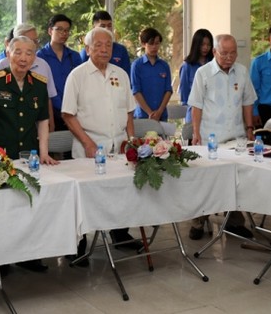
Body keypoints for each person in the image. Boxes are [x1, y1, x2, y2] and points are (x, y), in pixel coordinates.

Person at [62, 27, 137, 250]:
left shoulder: (120, 74)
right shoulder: (77, 75)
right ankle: (78, 244)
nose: (104, 50)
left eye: (108, 45)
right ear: (87, 48)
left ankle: (120, 234)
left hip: (119, 146)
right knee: (85, 197)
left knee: (121, 192)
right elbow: (67, 114)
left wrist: (132, 140)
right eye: (98, 45)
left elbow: (129, 112)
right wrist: (87, 143)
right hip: (89, 147)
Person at [187, 34, 256, 240]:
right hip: (210, 138)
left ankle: (234, 222)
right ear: (215, 52)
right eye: (224, 53)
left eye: (233, 52)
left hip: (236, 137)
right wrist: (196, 132)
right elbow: (196, 105)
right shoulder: (203, 73)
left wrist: (250, 129)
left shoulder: (242, 72)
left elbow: (247, 102)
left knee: (235, 180)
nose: (229, 57)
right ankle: (199, 221)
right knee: (206, 182)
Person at [0, 36, 57, 163]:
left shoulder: (39, 85)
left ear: (34, 57)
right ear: (8, 54)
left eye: (29, 54)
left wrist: (44, 153)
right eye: (18, 53)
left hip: (30, 154)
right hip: (0, 154)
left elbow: (43, 121)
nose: (23, 58)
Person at [0, 24, 57, 132]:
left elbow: (48, 97)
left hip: (37, 125)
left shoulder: (43, 65)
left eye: (36, 41)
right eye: (30, 40)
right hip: (8, 126)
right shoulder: (1, 66)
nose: (34, 45)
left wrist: (51, 122)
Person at [37, 14, 82, 131]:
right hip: (50, 113)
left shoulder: (74, 56)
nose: (64, 33)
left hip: (73, 112)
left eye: (67, 30)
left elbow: (80, 85)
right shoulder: (40, 57)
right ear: (50, 31)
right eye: (60, 29)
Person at [131, 27, 173, 122]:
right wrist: (150, 113)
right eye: (151, 43)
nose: (154, 47)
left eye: (157, 43)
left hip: (161, 116)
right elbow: (136, 91)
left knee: (162, 137)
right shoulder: (137, 65)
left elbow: (168, 90)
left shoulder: (164, 65)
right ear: (143, 44)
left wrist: (159, 111)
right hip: (143, 116)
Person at [80, 10, 131, 77]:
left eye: (109, 26)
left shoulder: (121, 50)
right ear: (94, 27)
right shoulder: (88, 51)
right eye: (102, 26)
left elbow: (126, 75)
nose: (107, 29)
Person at [178, 29, 214, 124]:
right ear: (196, 45)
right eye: (202, 45)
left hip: (213, 115)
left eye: (208, 45)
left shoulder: (214, 65)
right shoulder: (187, 66)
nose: (206, 48)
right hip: (194, 114)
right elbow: (184, 95)